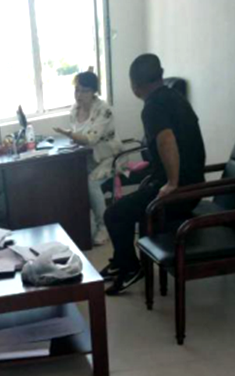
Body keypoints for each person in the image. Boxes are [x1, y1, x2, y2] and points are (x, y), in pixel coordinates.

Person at [102, 54, 206, 295]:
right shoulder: (175, 97)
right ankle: (120, 261)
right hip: (194, 185)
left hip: (180, 192)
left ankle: (130, 268)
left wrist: (172, 183)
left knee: (114, 214)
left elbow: (166, 140)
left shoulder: (153, 106)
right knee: (126, 208)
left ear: (135, 85)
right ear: (160, 74)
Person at [55, 71, 123, 246]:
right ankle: (79, 224)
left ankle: (104, 227)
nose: (79, 95)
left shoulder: (103, 110)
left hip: (108, 158)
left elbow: (91, 139)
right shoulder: (74, 110)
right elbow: (78, 139)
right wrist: (71, 137)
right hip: (87, 157)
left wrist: (69, 134)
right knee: (69, 177)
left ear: (94, 91)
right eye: (77, 90)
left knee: (90, 182)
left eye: (84, 91)